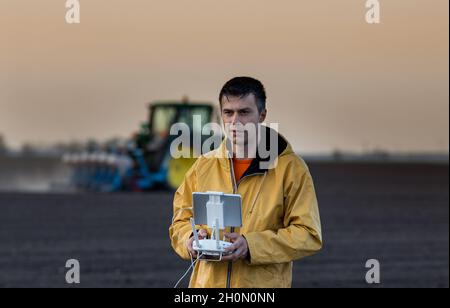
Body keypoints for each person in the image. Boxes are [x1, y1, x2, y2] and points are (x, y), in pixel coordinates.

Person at [169, 76, 322, 288]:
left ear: (262, 115)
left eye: (244, 112)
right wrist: (190, 240)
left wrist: (251, 246)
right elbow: (180, 220)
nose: (235, 121)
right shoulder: (203, 166)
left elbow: (308, 233)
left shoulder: (291, 169)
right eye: (228, 112)